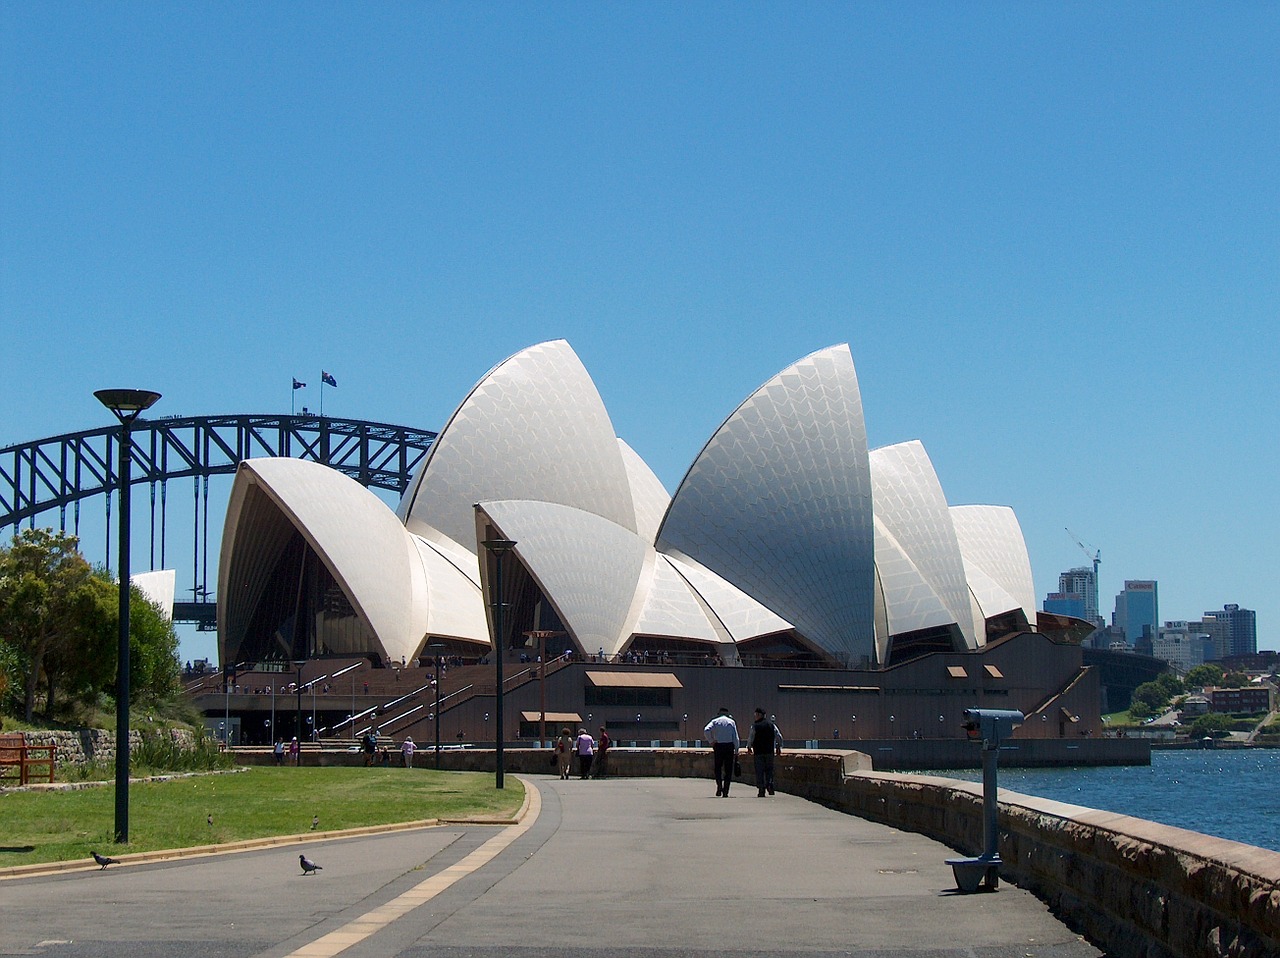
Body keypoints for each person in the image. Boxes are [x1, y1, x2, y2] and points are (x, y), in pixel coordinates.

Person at [746, 708, 783, 797]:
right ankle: (770, 784)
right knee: (769, 770)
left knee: (759, 771)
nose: (755, 716)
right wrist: (778, 746)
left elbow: (751, 737)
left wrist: (749, 746)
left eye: (756, 714)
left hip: (758, 752)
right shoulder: (771, 725)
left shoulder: (755, 726)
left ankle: (761, 789)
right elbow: (779, 736)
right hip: (769, 751)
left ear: (759, 715)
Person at [703, 707, 739, 797]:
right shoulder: (731, 722)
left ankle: (719, 786)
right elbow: (736, 737)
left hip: (718, 746)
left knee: (718, 768)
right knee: (728, 770)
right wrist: (737, 750)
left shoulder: (715, 721)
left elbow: (706, 730)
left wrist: (711, 741)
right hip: (729, 746)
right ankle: (726, 791)